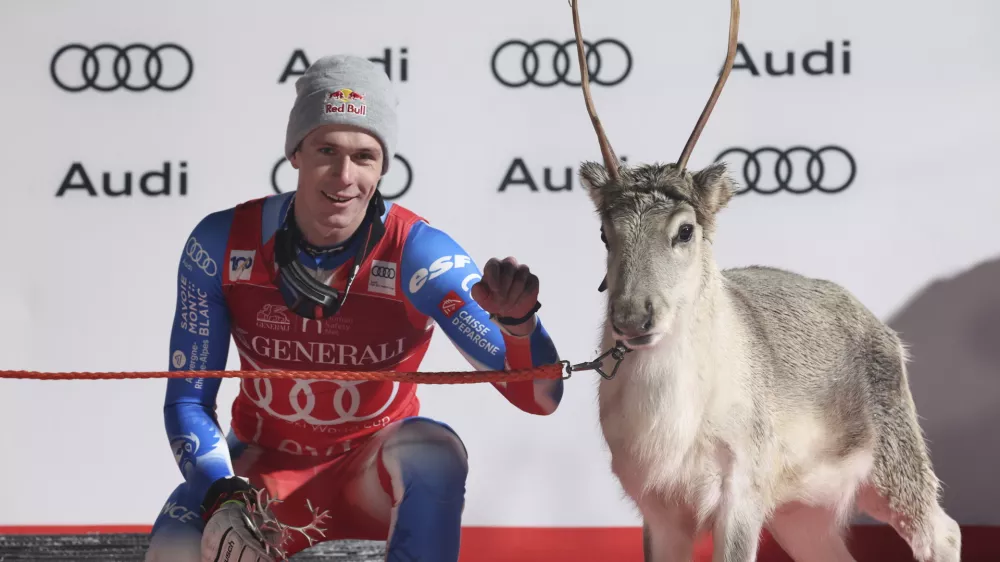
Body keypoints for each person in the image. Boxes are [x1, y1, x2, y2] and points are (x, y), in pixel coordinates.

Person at [144, 54, 564, 562]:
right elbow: (188, 402)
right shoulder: (219, 243)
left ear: (384, 165)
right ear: (295, 153)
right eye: (326, 150)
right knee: (172, 550)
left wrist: (520, 324)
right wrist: (222, 491)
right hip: (262, 478)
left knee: (434, 450)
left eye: (364, 156)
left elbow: (539, 397)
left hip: (370, 477)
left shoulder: (419, 253)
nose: (344, 176)